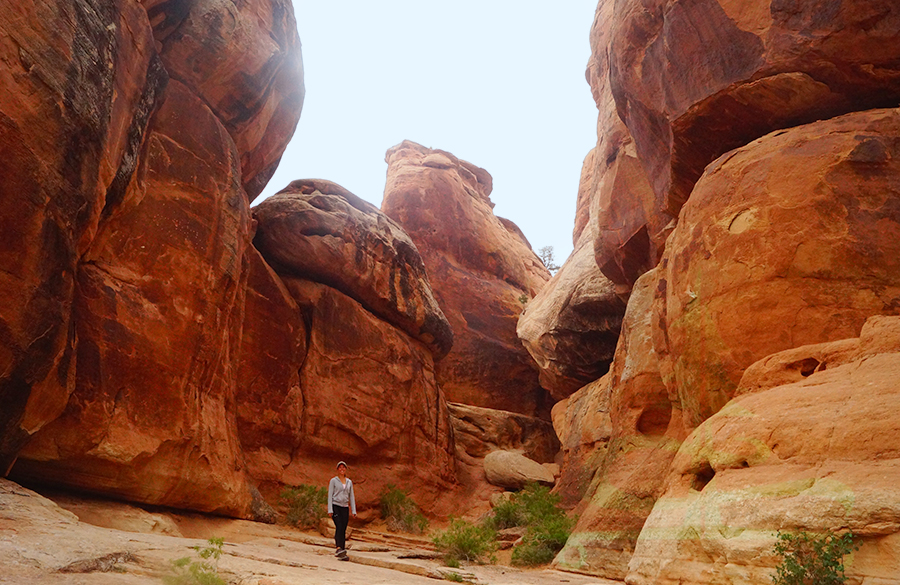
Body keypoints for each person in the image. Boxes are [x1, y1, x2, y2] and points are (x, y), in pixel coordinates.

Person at [327, 461, 357, 559]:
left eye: (343, 467)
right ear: (337, 469)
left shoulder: (349, 482)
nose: (342, 469)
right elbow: (330, 495)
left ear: (346, 469)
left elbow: (351, 496)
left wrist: (353, 510)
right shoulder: (333, 481)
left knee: (343, 528)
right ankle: (338, 547)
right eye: (340, 468)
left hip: (344, 507)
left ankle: (342, 550)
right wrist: (330, 509)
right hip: (336, 506)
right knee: (339, 526)